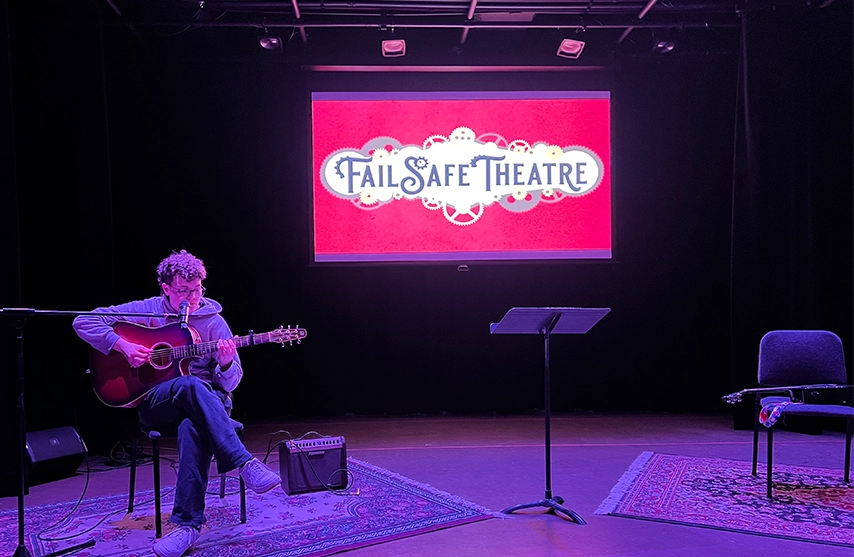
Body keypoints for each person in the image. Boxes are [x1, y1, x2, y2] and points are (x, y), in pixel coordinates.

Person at [72, 249, 282, 557]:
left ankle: (186, 528)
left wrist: (224, 364)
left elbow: (231, 383)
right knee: (188, 384)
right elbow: (84, 321)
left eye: (197, 289)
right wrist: (125, 346)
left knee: (193, 424)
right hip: (158, 403)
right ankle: (244, 462)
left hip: (210, 405)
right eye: (183, 291)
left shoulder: (213, 321)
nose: (192, 297)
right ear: (166, 288)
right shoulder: (146, 310)